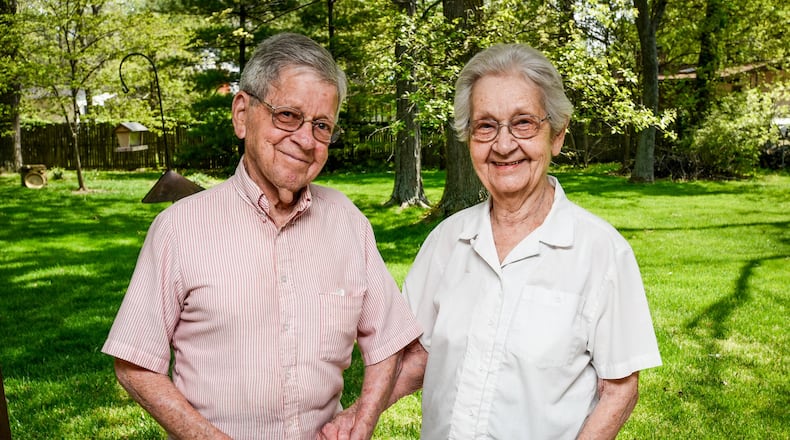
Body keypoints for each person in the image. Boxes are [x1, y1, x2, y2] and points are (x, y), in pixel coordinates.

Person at [102, 32, 422, 440]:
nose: (305, 140)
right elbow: (135, 363)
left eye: (321, 125)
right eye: (287, 115)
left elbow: (390, 344)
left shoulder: (347, 221)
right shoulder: (178, 228)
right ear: (242, 113)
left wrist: (361, 418)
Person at [388, 43, 662, 439]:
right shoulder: (446, 241)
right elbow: (417, 357)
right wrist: (356, 416)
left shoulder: (601, 252)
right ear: (469, 139)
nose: (503, 145)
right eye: (486, 125)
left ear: (557, 135)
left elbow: (619, 389)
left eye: (523, 123)